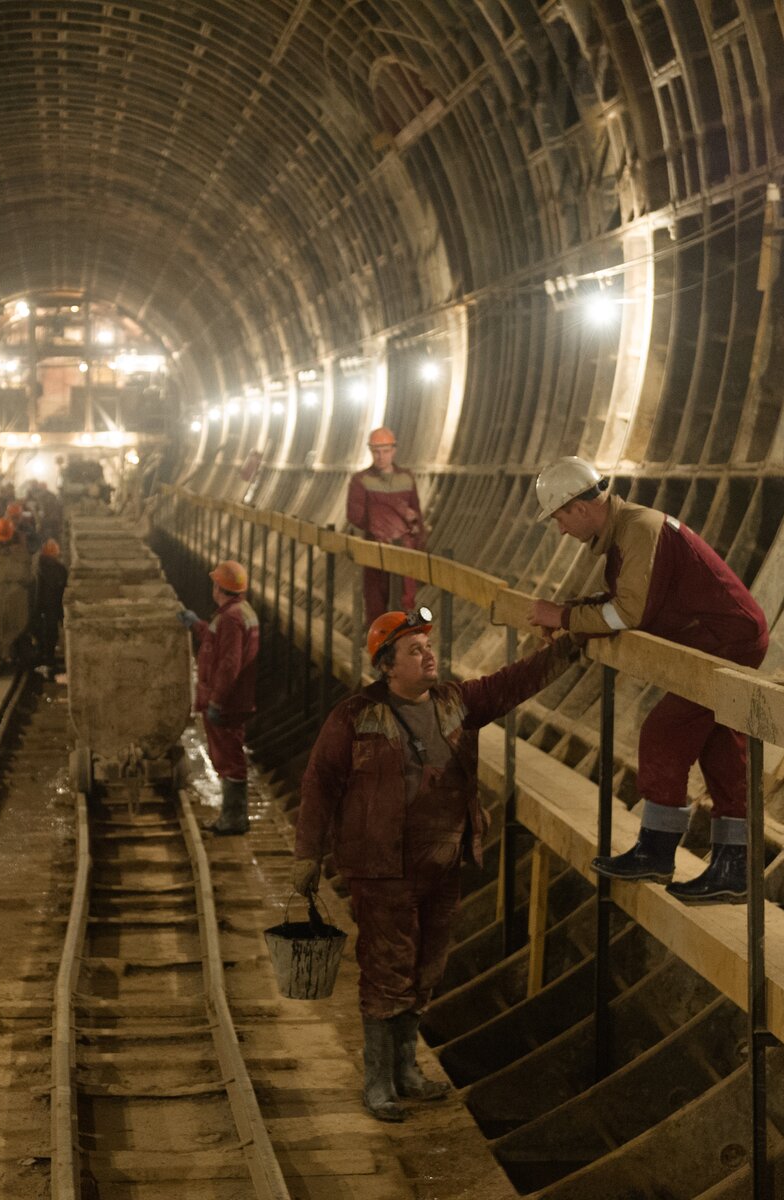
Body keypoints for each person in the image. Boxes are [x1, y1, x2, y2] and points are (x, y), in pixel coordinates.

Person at [293, 608, 579, 1121]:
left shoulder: (454, 702)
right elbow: (320, 783)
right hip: (384, 867)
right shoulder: (355, 716)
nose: (428, 655)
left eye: (427, 645)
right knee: (388, 970)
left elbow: (511, 683)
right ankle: (378, 1082)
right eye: (413, 650)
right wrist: (307, 854)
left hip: (444, 862)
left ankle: (406, 1072)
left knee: (427, 968)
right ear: (387, 666)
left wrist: (567, 647)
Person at [528, 457, 770, 904]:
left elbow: (627, 613)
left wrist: (562, 615)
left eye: (560, 517)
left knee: (664, 732)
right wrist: (569, 614)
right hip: (720, 634)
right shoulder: (627, 531)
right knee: (719, 746)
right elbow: (630, 599)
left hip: (725, 639)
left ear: (579, 508)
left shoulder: (638, 530)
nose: (561, 529)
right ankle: (733, 867)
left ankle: (657, 852)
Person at [179, 560, 260, 834]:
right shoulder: (240, 613)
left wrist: (215, 701)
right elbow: (218, 644)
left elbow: (228, 663)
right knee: (229, 755)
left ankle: (234, 818)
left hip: (227, 702)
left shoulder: (230, 618)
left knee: (229, 758)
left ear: (219, 587)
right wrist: (197, 626)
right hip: (236, 698)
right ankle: (233, 816)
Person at [346, 428, 428, 624]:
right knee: (376, 600)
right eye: (376, 451)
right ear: (370, 451)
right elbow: (355, 515)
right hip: (375, 548)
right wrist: (386, 519)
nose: (380, 456)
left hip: (404, 548)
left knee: (405, 600)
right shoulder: (361, 480)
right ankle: (380, 648)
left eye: (385, 451)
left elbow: (416, 513)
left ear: (393, 450)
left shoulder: (406, 478)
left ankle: (402, 644)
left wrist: (419, 543)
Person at [33, 538, 69, 666]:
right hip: (52, 607)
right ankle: (48, 658)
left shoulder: (37, 566)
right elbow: (63, 589)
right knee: (51, 633)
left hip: (41, 606)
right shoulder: (60, 569)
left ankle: (41, 656)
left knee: (40, 632)